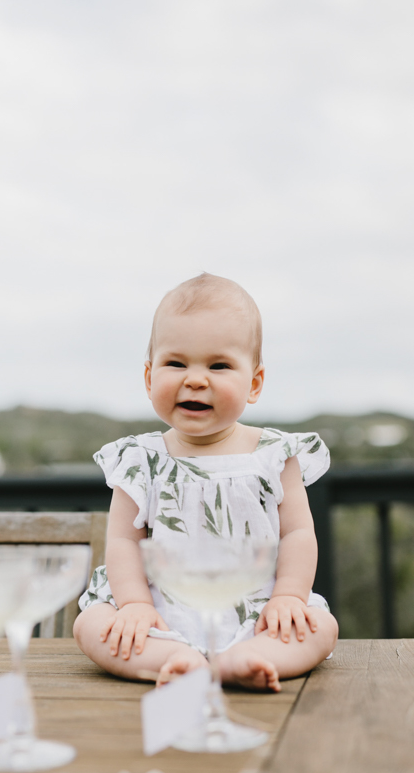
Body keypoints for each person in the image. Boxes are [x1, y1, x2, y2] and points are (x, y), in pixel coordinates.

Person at [73, 273, 338, 691]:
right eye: (176, 363)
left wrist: (287, 595)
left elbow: (298, 533)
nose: (195, 379)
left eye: (219, 365)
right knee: (91, 623)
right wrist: (136, 605)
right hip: (159, 605)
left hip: (255, 606)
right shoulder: (140, 459)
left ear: (253, 383)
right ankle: (175, 658)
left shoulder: (274, 454)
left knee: (320, 625)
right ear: (148, 377)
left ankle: (248, 657)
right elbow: (123, 541)